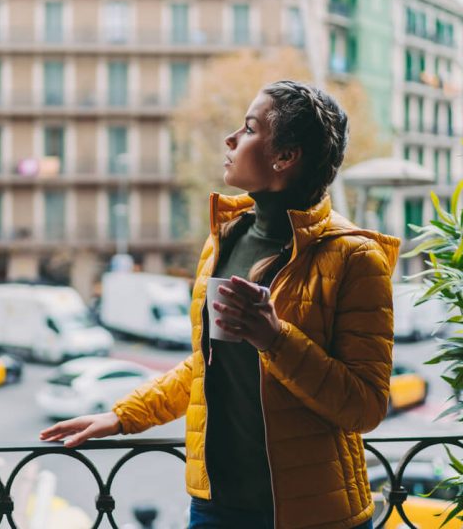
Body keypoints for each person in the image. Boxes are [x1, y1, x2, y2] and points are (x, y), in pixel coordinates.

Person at [40, 80, 400, 529]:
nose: (230, 139)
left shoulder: (355, 258)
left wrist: (275, 339)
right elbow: (206, 366)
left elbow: (365, 407)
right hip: (217, 508)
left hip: (316, 514)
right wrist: (121, 416)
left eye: (249, 129)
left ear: (285, 157)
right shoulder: (225, 239)